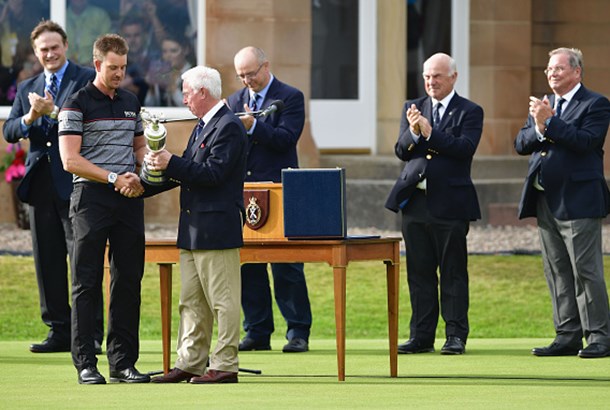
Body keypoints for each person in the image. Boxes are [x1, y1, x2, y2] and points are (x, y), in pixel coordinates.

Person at [2, 20, 104, 354]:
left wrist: (55, 111)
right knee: (46, 261)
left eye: (54, 47)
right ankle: (59, 330)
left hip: (76, 182)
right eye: (43, 49)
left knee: (82, 260)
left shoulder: (86, 78)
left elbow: (92, 123)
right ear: (35, 52)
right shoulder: (27, 84)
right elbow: (10, 131)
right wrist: (31, 116)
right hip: (40, 185)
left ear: (65, 46)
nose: (49, 53)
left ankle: (88, 334)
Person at [147, 65, 247, 384]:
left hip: (216, 228)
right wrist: (144, 182)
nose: (184, 98)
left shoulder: (228, 126)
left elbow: (213, 174)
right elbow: (188, 171)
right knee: (190, 301)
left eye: (187, 92)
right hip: (191, 228)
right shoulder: (204, 125)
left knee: (223, 300)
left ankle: (225, 364)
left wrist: (170, 162)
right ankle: (190, 361)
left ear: (203, 92)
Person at [58, 33, 149, 384]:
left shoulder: (130, 100)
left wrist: (144, 171)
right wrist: (114, 177)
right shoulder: (76, 103)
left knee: (128, 280)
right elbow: (70, 160)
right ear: (97, 64)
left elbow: (139, 147)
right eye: (113, 68)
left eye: (123, 67)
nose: (119, 74)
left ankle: (123, 363)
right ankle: (85, 363)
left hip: (128, 198)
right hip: (91, 198)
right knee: (86, 281)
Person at [385, 52, 484, 355]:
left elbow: (464, 148)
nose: (431, 82)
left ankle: (455, 335)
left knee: (453, 271)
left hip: (450, 203)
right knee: (419, 271)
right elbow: (402, 150)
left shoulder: (470, 111)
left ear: (453, 77)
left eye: (437, 76)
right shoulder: (412, 107)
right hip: (415, 202)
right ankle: (421, 335)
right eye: (427, 76)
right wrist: (415, 131)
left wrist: (431, 133)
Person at [515, 47, 610, 359]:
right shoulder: (546, 105)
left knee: (586, 270)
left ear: (576, 72)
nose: (551, 74)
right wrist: (541, 125)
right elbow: (520, 143)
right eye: (549, 70)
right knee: (556, 269)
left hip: (579, 201)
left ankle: (599, 336)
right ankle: (567, 335)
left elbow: (585, 142)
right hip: (545, 199)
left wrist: (550, 123)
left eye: (558, 69)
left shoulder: (595, 104)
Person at [225, 46, 312, 353]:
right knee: (248, 262)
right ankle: (258, 330)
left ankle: (298, 330)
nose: (247, 80)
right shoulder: (234, 101)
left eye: (251, 73)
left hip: (279, 188)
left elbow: (286, 139)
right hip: (245, 191)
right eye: (241, 76)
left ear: (266, 66)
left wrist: (255, 126)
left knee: (286, 263)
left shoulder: (290, 97)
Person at [66, 0, 112, 66]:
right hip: (68, 68)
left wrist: (95, 61)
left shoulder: (100, 15)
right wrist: (68, 60)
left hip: (94, 67)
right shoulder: (60, 16)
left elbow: (108, 44)